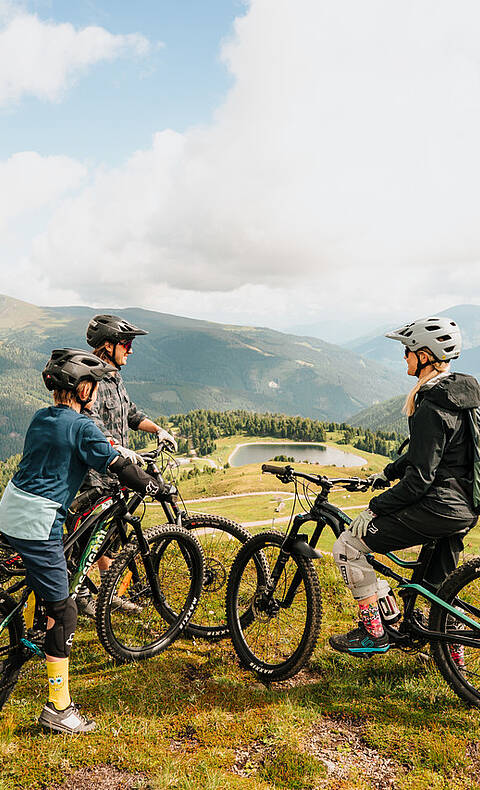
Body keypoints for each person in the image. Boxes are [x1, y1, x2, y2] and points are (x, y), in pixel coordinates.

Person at [0, 349, 173, 733]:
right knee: (66, 612)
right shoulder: (82, 427)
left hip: (11, 509)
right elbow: (116, 465)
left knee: (51, 574)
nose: (95, 393)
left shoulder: (41, 417)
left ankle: (34, 630)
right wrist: (153, 485)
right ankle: (58, 710)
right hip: (38, 522)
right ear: (81, 389)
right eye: (92, 386)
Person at [329, 316, 480, 656]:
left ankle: (374, 634)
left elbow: (420, 480)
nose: (404, 358)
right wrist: (390, 470)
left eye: (408, 350)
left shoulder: (431, 405)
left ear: (425, 355)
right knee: (434, 590)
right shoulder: (459, 393)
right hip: (466, 507)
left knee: (349, 546)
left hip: (440, 506)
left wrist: (376, 507)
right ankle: (449, 656)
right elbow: (431, 451)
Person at [72, 314, 177, 617]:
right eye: (126, 343)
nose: (130, 350)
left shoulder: (115, 376)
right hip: (96, 473)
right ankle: (77, 595)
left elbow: (130, 414)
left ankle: (107, 594)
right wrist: (118, 448)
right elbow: (90, 422)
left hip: (115, 470)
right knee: (91, 539)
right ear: (107, 345)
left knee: (108, 538)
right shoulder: (93, 380)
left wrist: (158, 430)